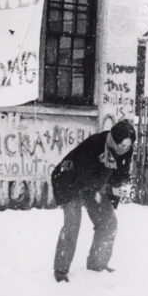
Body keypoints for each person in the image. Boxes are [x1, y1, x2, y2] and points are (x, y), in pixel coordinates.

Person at [52, 119, 136, 283]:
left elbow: (122, 172)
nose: (124, 150)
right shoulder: (95, 144)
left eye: (128, 147)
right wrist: (111, 189)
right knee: (72, 225)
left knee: (108, 221)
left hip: (94, 187)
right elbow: (87, 178)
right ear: (115, 139)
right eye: (122, 146)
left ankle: (97, 265)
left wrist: (123, 185)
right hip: (70, 181)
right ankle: (60, 270)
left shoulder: (125, 150)